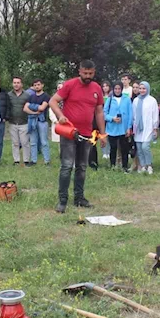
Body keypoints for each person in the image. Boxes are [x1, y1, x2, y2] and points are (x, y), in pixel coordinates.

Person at [49, 60, 107, 213]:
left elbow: (99, 112)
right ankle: (62, 201)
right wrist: (60, 116)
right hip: (69, 132)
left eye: (91, 73)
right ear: (80, 71)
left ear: (94, 72)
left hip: (87, 134)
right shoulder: (70, 85)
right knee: (67, 166)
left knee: (82, 167)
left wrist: (102, 134)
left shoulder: (97, 89)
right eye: (85, 73)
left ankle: (79, 198)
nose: (88, 76)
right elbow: (53, 101)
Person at [104, 82, 133, 172]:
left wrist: (129, 127)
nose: (117, 91)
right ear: (113, 89)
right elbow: (104, 113)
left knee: (124, 148)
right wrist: (112, 118)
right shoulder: (109, 99)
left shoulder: (127, 99)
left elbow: (130, 113)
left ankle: (125, 166)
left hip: (123, 128)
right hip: (112, 128)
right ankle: (113, 165)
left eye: (119, 89)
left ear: (121, 89)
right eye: (115, 89)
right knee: (113, 148)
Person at [133, 81, 159, 176]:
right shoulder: (136, 100)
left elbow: (155, 114)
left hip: (148, 127)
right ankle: (143, 165)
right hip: (138, 128)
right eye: (140, 88)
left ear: (147, 89)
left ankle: (149, 165)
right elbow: (134, 114)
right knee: (139, 148)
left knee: (145, 147)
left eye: (144, 88)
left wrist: (155, 127)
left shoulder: (152, 100)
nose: (142, 90)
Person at [25, 79, 51, 166]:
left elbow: (42, 108)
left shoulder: (46, 96)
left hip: (42, 122)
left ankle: (47, 161)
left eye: (38, 84)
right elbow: (25, 108)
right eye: (35, 85)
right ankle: (33, 160)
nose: (37, 86)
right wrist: (35, 111)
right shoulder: (31, 96)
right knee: (33, 142)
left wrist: (31, 106)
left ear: (42, 85)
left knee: (44, 142)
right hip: (32, 121)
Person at [8, 76, 31, 166]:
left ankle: (26, 160)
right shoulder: (9, 95)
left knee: (25, 142)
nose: (16, 84)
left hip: (24, 122)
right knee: (15, 143)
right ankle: (16, 160)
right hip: (12, 122)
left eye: (18, 83)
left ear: (21, 84)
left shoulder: (27, 95)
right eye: (14, 83)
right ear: (12, 84)